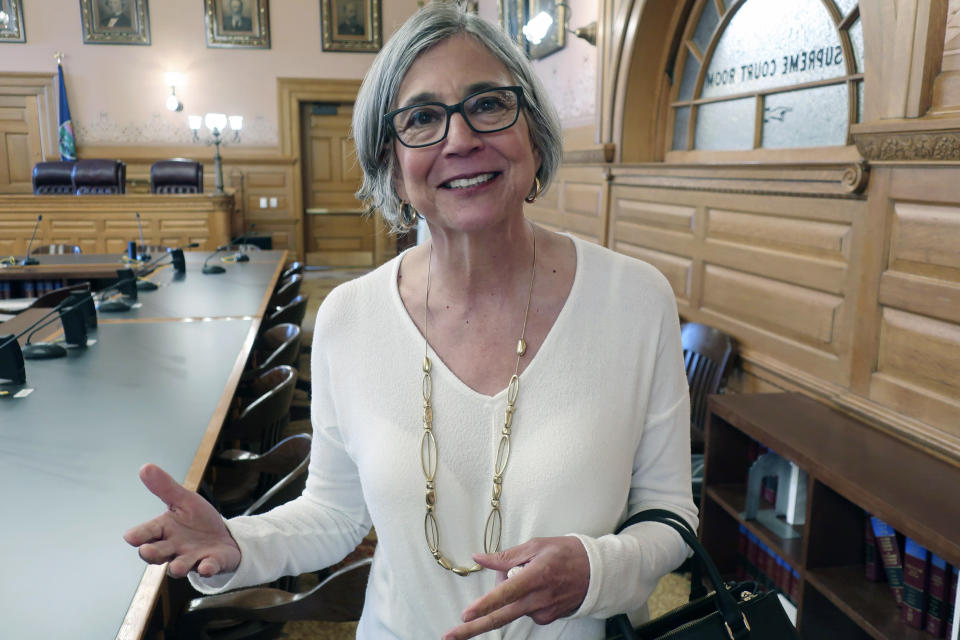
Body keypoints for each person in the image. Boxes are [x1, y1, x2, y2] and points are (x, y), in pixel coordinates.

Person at [123, 4, 697, 639]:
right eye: (422, 118)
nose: (459, 139)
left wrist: (600, 569)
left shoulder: (636, 300)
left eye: (487, 104)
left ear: (533, 133)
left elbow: (669, 513)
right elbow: (336, 514)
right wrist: (238, 543)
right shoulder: (349, 317)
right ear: (392, 167)